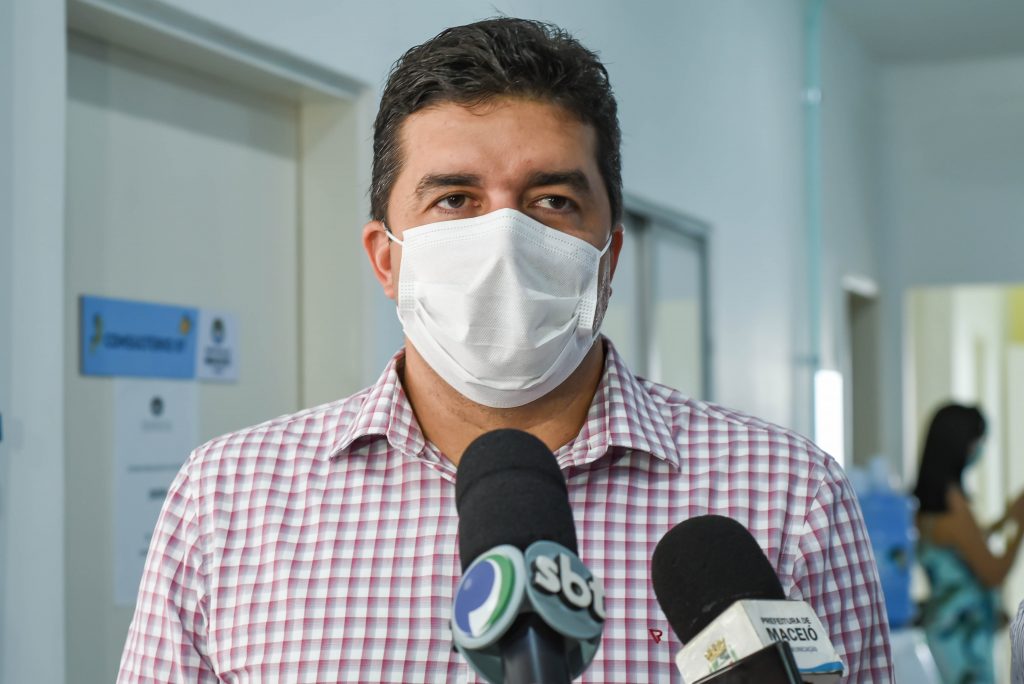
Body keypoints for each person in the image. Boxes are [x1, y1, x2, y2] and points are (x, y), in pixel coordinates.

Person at [117, 18, 892, 682]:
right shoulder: (227, 500)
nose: (503, 242)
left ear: (609, 257)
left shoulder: (789, 497)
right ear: (386, 259)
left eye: (553, 201)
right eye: (455, 199)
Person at [912, 403, 1024, 683]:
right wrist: (1020, 526)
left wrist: (1005, 521)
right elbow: (992, 572)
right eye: (977, 440)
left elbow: (964, 546)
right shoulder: (953, 504)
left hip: (946, 629)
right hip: (963, 640)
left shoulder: (929, 502)